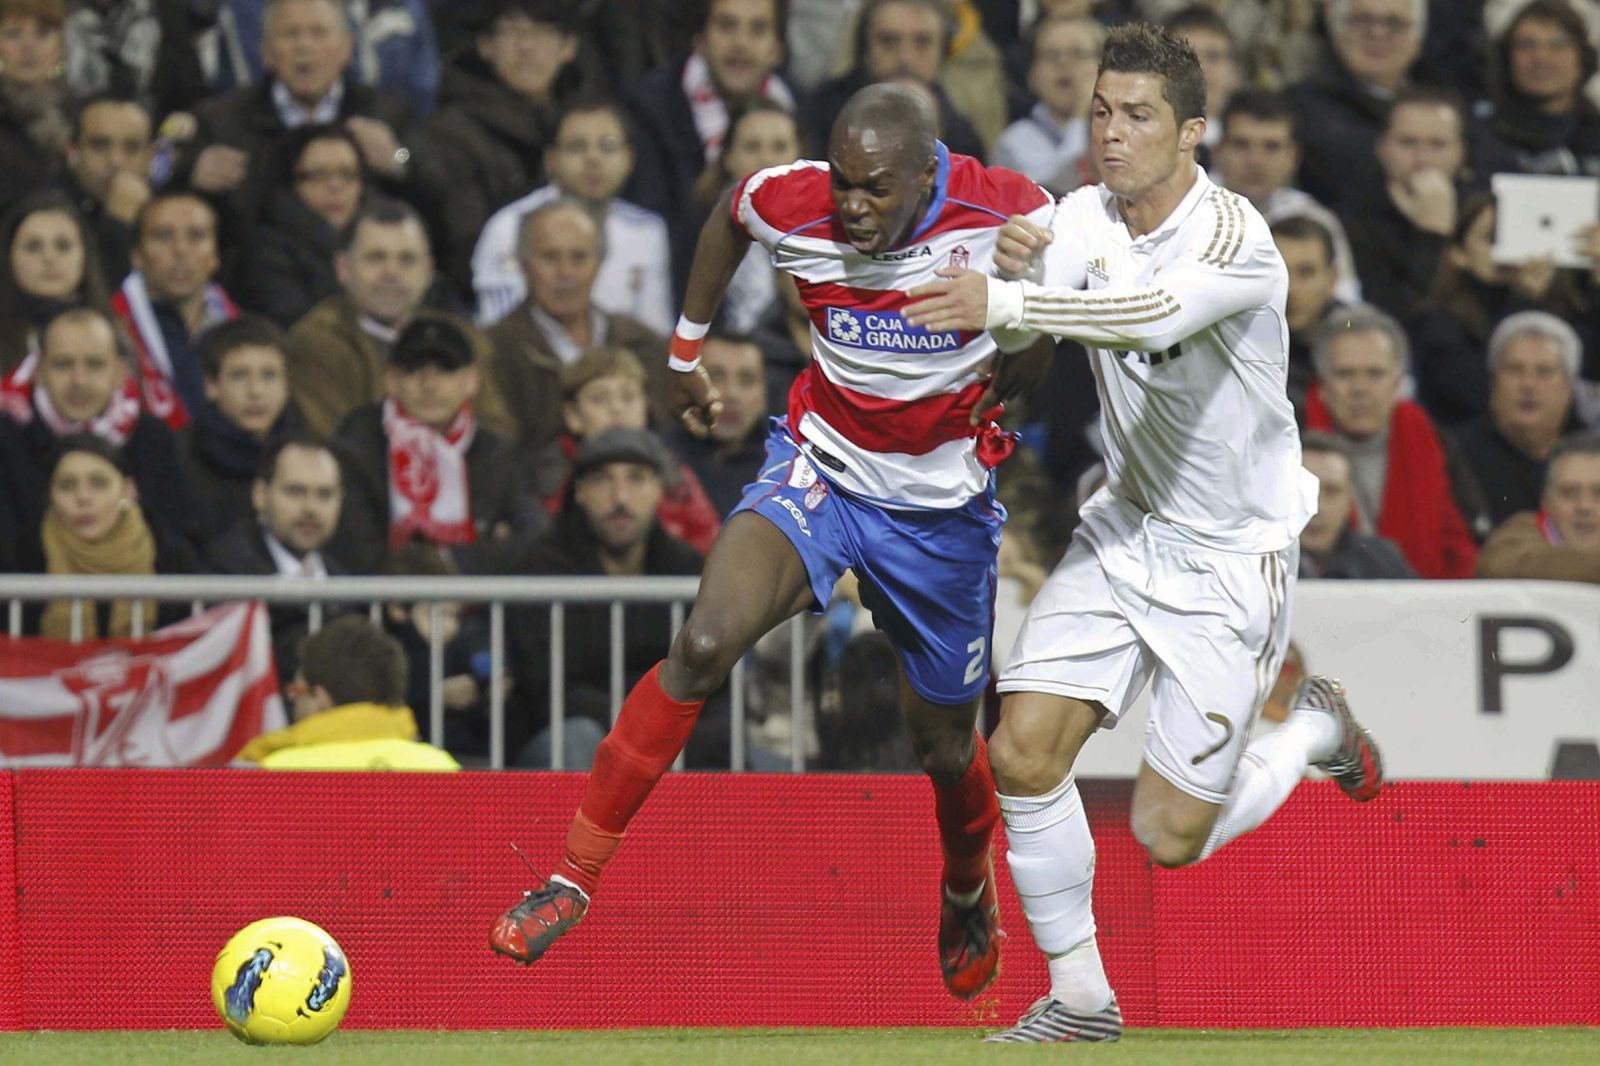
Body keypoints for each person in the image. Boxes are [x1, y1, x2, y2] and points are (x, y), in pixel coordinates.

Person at [486, 84, 1055, 1016]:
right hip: (822, 468)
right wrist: (684, 351)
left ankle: (965, 884)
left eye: (875, 189)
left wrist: (1025, 337)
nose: (853, 206)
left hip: (938, 513)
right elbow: (729, 214)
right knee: (704, 643)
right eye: (842, 184)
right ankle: (571, 879)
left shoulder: (1008, 211)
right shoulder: (797, 200)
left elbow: (1054, 330)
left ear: (927, 174)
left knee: (946, 745)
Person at [897, 25, 1384, 1041]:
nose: (1113, 134)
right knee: (1022, 751)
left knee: (1168, 836)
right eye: (1102, 113)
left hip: (1229, 559)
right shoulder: (1082, 215)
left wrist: (1010, 293)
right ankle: (1079, 996)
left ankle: (1310, 733)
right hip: (1125, 531)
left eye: (1140, 116)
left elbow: (1150, 315)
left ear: (1193, 132)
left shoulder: (1234, 239)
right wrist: (1012, 271)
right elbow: (1031, 318)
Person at [505, 427, 711, 770]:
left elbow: (714, 688)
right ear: (580, 491)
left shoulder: (689, 570)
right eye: (602, 480)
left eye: (636, 479)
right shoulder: (540, 570)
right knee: (579, 737)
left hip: (670, 743)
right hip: (561, 750)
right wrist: (644, 727)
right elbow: (547, 691)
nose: (620, 498)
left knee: (762, 762)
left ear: (660, 488)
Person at [179, 0, 417, 237]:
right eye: (290, 34)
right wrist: (194, 177)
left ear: (346, 48)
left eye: (319, 33)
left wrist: (396, 157)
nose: (304, 46)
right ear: (266, 52)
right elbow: (171, 178)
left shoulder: (387, 112)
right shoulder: (221, 121)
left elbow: (415, 160)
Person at [286, 199, 514, 440]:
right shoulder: (316, 341)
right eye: (376, 258)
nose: (392, 272)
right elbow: (336, 441)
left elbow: (497, 433)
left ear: (428, 272)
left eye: (406, 259)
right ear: (344, 268)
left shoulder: (464, 339)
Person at [328, 312, 538, 573]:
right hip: (379, 607)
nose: (429, 385)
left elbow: (534, 540)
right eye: (415, 370)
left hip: (476, 610)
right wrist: (482, 552)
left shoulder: (497, 451)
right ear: (391, 379)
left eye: (445, 369)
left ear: (471, 380)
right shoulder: (356, 443)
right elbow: (353, 545)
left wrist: (450, 563)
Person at [0, 306, 196, 572]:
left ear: (119, 372)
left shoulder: (152, 436)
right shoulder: (8, 437)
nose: (78, 380)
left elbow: (179, 541)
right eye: (63, 364)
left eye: (94, 364)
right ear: (39, 372)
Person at [412, 0, 584, 293]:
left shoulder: (589, 121)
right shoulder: (451, 131)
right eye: (512, 32)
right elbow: (467, 246)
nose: (526, 47)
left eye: (541, 32)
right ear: (485, 46)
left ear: (568, 47)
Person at [1304, 303, 1484, 578]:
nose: (1360, 389)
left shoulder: (1434, 440)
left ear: (1397, 384)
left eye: (1375, 374)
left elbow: (1464, 540)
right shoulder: (1290, 444)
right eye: (1345, 374)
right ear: (1324, 387)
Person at [484, 197, 669, 457]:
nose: (565, 272)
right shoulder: (492, 351)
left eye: (579, 257)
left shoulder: (645, 345)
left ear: (599, 263)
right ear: (525, 266)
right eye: (550, 257)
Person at [473, 98, 672, 332]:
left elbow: (656, 332)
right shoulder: (510, 226)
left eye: (607, 146)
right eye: (577, 146)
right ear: (551, 160)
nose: (593, 159)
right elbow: (500, 333)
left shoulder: (647, 230)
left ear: (629, 158)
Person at [620, 0, 794, 223]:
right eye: (726, 26)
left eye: (758, 29)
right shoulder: (648, 110)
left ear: (777, 48)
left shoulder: (802, 109)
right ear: (700, 39)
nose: (741, 43)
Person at [205, 432, 347, 682]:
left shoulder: (345, 581)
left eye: (324, 494)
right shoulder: (225, 570)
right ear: (260, 494)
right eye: (295, 492)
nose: (311, 508)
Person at [234, 614, 460, 771]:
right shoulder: (441, 768)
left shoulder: (273, 771)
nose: (293, 700)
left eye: (297, 691)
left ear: (320, 697)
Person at [32, 432, 191, 637]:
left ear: (127, 489)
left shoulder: (170, 555)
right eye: (67, 485)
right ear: (50, 495)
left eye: (99, 483)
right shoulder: (28, 555)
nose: (83, 497)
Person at [1213, 89, 1360, 304]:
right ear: (1217, 151)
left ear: (1293, 157)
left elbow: (1347, 310)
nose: (1255, 160)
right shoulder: (1183, 209)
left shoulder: (1316, 220)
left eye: (1271, 147)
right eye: (1241, 145)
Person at [1340, 88, 1472, 323]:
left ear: (1460, 152)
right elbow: (1390, 316)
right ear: (1382, 148)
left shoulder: (1481, 213)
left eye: (1438, 144)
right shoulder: (1351, 221)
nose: (1423, 159)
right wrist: (1432, 236)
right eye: (1407, 143)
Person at [113, 191, 239, 430]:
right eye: (163, 237)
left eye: (196, 236)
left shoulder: (243, 331)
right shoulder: (111, 328)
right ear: (137, 255)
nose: (181, 250)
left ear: (215, 256)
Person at [805, 0, 985, 162]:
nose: (905, 57)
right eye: (888, 41)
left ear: (943, 52)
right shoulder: (822, 117)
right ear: (864, 50)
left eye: (922, 42)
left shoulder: (963, 134)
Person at [180, 314, 305, 546]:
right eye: (239, 376)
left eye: (269, 376)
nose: (255, 391)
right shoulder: (179, 459)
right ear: (211, 386)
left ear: (287, 385)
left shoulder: (311, 456)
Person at [1290, 0, 1426, 212]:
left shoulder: (1443, 109)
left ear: (1418, 37)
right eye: (1362, 20)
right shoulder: (1296, 108)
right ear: (1336, 30)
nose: (1377, 33)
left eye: (1394, 22)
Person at [1453, 312, 1586, 527]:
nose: (1528, 384)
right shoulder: (1455, 454)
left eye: (1544, 372)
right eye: (1514, 370)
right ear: (1494, 381)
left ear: (1568, 389)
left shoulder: (1590, 456)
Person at [232, 123, 367, 326]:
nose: (335, 186)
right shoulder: (265, 252)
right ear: (289, 184)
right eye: (318, 175)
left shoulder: (379, 238)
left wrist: (399, 154)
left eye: (348, 175)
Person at [1476, 0, 1600, 179]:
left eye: (1558, 45)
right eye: (1526, 45)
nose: (1541, 58)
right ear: (1506, 58)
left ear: (1582, 58)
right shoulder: (1478, 136)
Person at [991, 12, 1104, 196]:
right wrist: (1078, 116)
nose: (1064, 63)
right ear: (1032, 76)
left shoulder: (1122, 131)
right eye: (1050, 55)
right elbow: (1053, 190)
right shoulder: (1014, 142)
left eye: (1077, 53)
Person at [0, 189, 110, 375]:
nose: (49, 257)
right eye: (33, 246)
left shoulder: (117, 335)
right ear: (9, 258)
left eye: (63, 245)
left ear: (84, 257)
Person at [669, 331, 771, 517]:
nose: (732, 394)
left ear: (765, 393)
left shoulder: (786, 468)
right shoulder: (662, 459)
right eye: (716, 377)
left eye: (747, 380)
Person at [1477, 430, 1600, 581]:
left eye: (1598, 493)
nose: (1585, 506)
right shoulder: (1515, 536)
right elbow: (1500, 565)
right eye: (1569, 493)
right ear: (1546, 501)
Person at [60, 92, 153, 284]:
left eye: (132, 148)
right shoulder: (47, 214)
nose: (116, 161)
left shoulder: (169, 212)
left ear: (150, 156)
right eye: (100, 146)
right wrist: (117, 226)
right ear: (72, 150)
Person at [1298, 431, 1416, 578]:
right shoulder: (1262, 564)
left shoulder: (1384, 561)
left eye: (1332, 491)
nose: (1317, 508)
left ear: (1349, 501)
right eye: (1303, 492)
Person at [0, 0, 72, 217]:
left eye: (42, 33)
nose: (28, 46)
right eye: (13, 34)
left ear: (61, 44)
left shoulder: (82, 115)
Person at [1271, 216, 1345, 412]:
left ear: (1332, 280)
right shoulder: (1234, 343)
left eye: (1306, 272)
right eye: (1279, 271)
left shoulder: (1361, 339)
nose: (1290, 289)